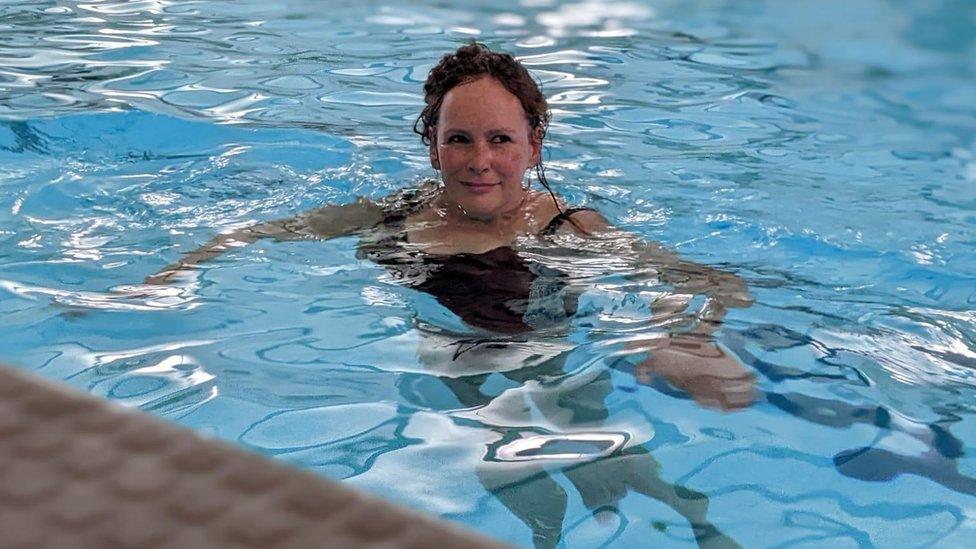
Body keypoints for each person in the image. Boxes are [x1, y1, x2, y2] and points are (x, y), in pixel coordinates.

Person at [146, 42, 753, 547]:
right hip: (460, 370)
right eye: (459, 139)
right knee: (496, 455)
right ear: (432, 144)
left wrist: (688, 332)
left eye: (500, 140)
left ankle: (696, 523)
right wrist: (169, 277)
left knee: (604, 451)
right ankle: (547, 530)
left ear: (533, 145)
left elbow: (711, 281)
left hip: (555, 359)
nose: (480, 161)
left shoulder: (568, 228)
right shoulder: (395, 216)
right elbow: (260, 232)